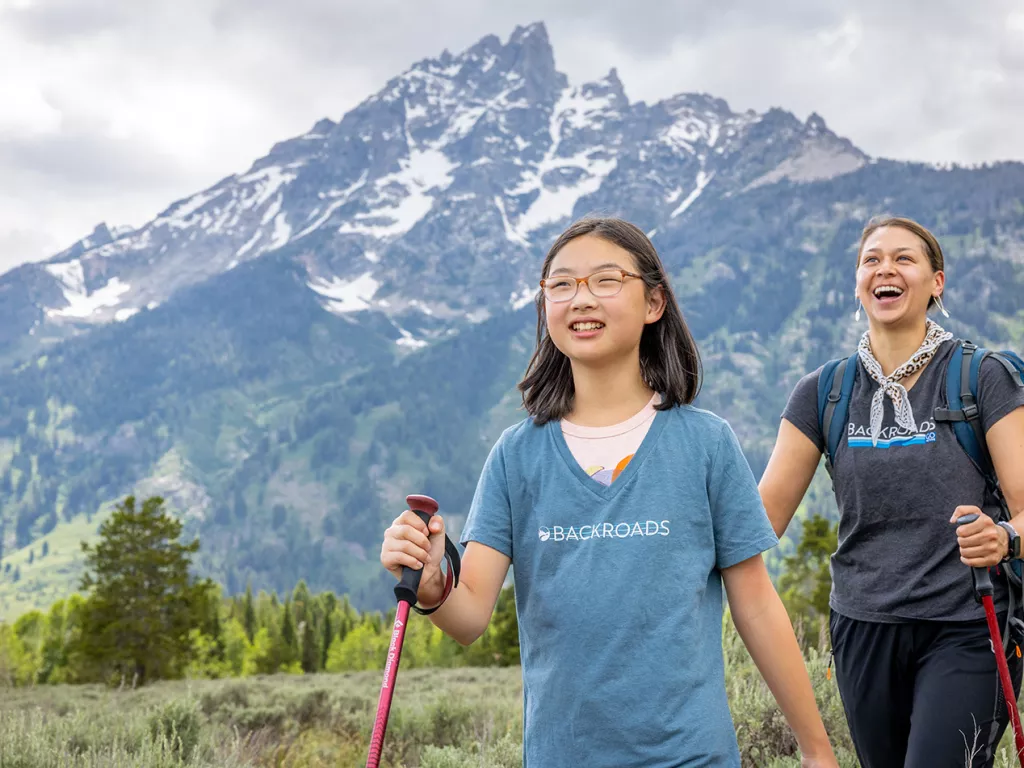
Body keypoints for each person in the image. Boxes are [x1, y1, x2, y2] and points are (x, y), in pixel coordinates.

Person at [381, 217, 837, 767]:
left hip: (691, 756)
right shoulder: (515, 455)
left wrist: (817, 751)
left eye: (605, 280)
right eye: (562, 284)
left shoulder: (705, 444)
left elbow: (757, 606)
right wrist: (432, 584)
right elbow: (470, 615)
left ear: (654, 303)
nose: (581, 299)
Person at [759, 215, 1024, 767]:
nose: (886, 268)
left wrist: (1003, 537)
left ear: (937, 283)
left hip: (968, 624)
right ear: (858, 282)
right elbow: (760, 521)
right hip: (862, 628)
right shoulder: (824, 392)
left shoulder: (982, 378)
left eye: (904, 258)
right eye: (872, 259)